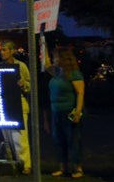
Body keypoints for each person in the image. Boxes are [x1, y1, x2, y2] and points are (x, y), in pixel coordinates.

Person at [46, 47, 84, 178]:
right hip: (56, 112)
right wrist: (43, 43)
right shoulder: (56, 72)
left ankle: (77, 168)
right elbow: (46, 65)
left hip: (69, 112)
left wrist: (78, 112)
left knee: (72, 140)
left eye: (55, 57)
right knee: (58, 140)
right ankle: (62, 167)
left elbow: (80, 93)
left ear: (63, 59)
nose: (53, 60)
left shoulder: (74, 74)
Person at [0, 41, 31, 175]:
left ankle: (25, 165)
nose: (2, 52)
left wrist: (24, 84)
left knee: (19, 137)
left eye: (5, 50)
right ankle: (12, 163)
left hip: (19, 103)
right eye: (1, 50)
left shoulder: (21, 66)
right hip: (4, 106)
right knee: (7, 137)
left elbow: (30, 84)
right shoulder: (0, 67)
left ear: (12, 51)